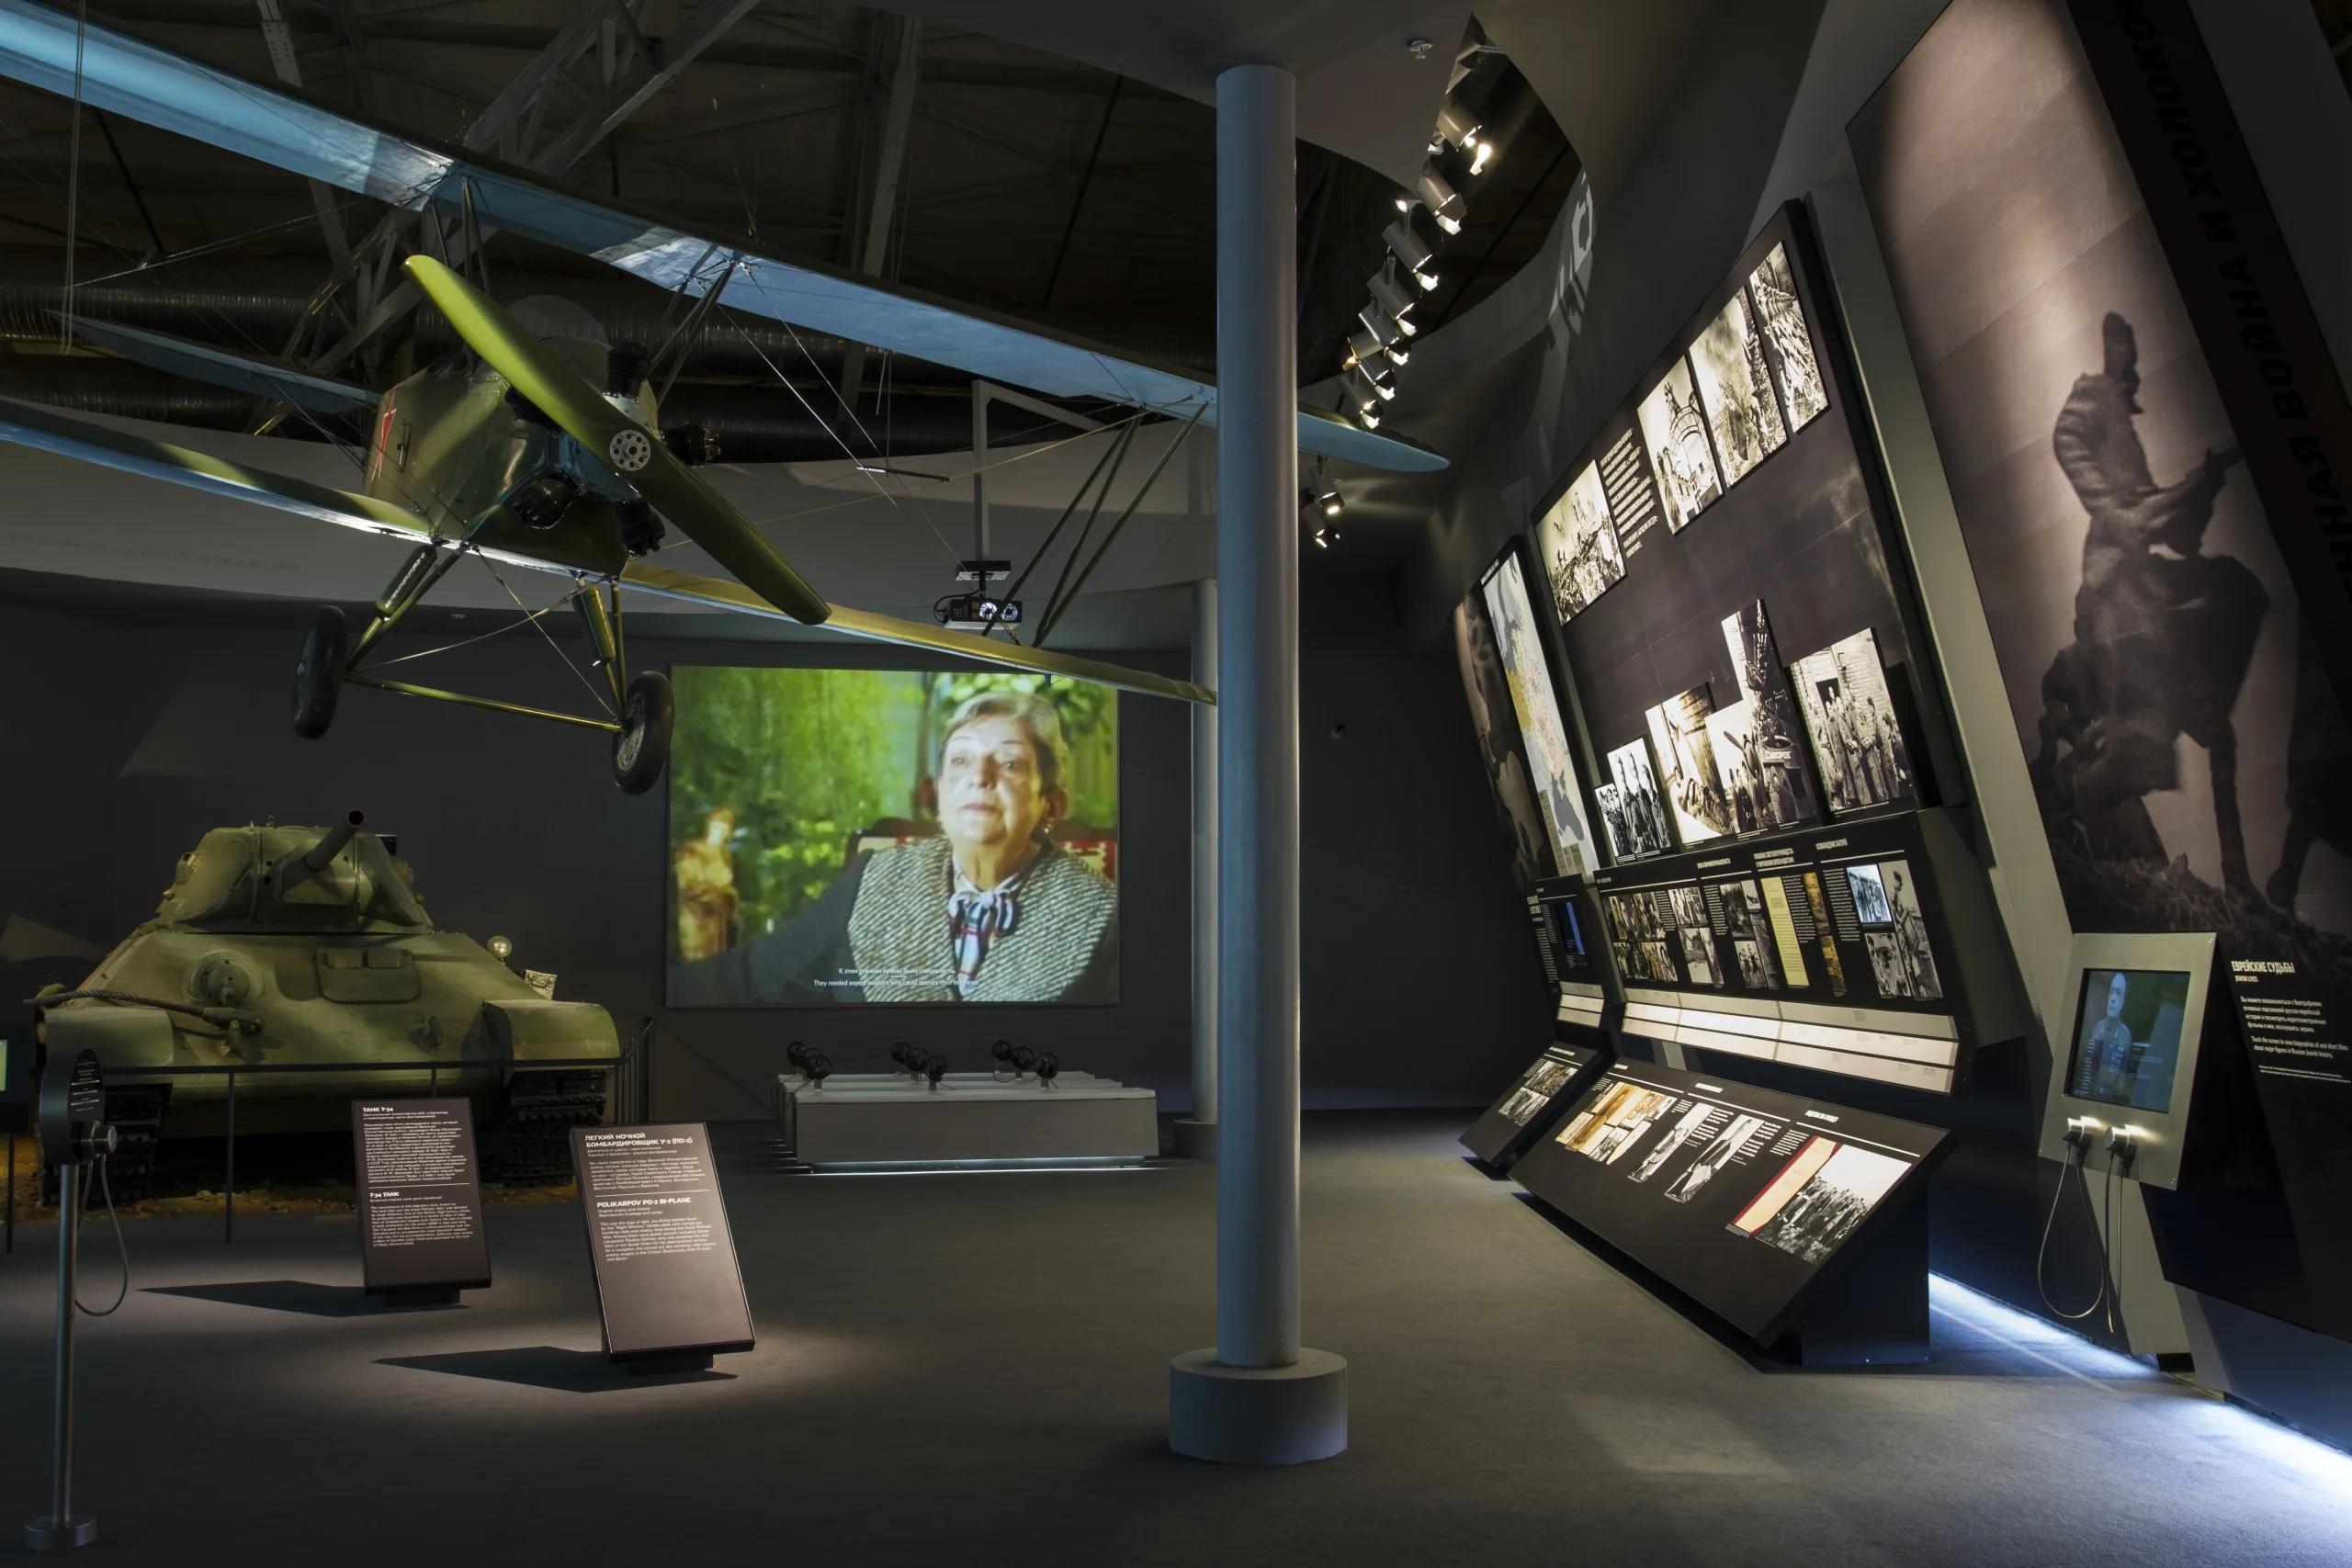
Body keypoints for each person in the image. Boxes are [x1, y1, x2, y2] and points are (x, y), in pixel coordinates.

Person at [671, 691, 1117, 1004]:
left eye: (1009, 763)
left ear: (1051, 805)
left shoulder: (1103, 915)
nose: (979, 778)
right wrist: (646, 995)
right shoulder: (874, 878)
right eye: (961, 761)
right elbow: (753, 979)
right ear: (939, 796)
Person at [673, 807, 740, 962]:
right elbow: (689, 888)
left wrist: (730, 897)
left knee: (716, 964)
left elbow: (728, 886)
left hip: (719, 924)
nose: (719, 832)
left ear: (728, 833)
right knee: (698, 965)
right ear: (708, 826)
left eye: (724, 828)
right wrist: (723, 893)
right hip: (696, 919)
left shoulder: (725, 856)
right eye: (715, 826)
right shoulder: (690, 851)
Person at [2081, 971, 2138, 1103]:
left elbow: (2122, 1084)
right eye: (2111, 991)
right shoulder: (2097, 1026)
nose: (2113, 998)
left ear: (2123, 1000)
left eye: (2118, 993)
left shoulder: (2125, 1035)